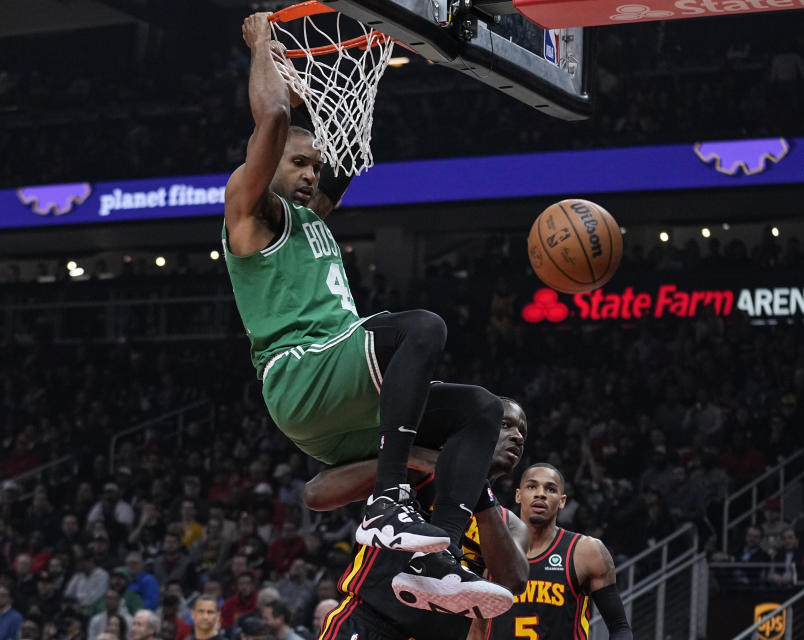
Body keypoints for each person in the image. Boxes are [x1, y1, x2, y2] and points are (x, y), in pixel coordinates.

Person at [222, 12, 511, 611]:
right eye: (298, 164)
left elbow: (348, 164)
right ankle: (388, 498)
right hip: (303, 375)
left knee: (481, 409)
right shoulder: (248, 214)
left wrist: (409, 39)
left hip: (341, 398)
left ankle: (440, 559)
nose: (310, 175)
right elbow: (274, 118)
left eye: (313, 168)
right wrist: (263, 50)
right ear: (263, 164)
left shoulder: (308, 218)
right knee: (422, 329)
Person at [316, 396, 530, 640]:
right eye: (505, 425)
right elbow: (316, 494)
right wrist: (413, 458)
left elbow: (512, 582)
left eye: (522, 431)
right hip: (370, 622)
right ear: (477, 426)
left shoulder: (509, 523)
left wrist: (478, 487)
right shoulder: (419, 473)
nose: (518, 437)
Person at [487, 463, 630, 640]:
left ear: (562, 501)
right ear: (518, 495)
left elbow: (620, 627)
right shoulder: (490, 549)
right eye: (532, 487)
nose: (540, 494)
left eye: (550, 489)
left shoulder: (586, 551)